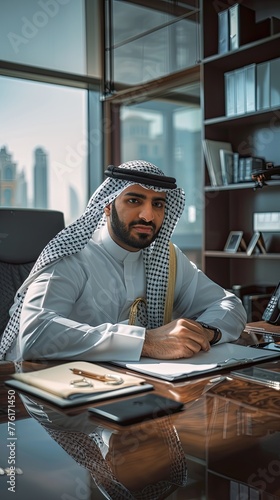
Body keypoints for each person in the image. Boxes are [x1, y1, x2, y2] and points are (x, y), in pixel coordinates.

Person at [0, 160, 247, 361]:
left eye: (158, 204)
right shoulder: (73, 256)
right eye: (134, 200)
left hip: (136, 390)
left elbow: (229, 305)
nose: (148, 215)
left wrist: (205, 332)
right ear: (107, 206)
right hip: (46, 396)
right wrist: (146, 342)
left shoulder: (167, 258)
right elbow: (35, 334)